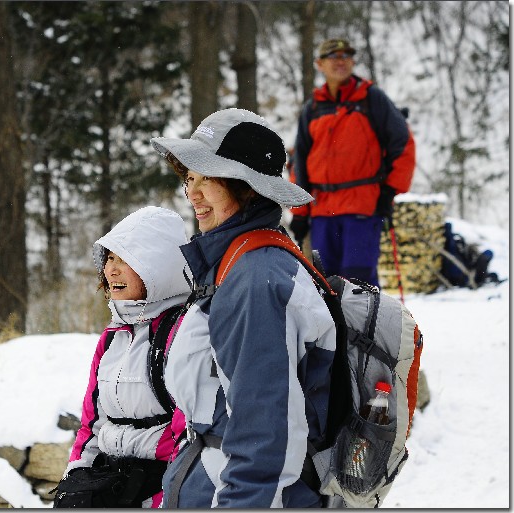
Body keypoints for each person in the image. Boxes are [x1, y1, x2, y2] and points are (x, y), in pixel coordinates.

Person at [150, 108, 337, 507]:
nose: (192, 194)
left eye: (208, 178)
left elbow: (266, 439)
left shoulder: (255, 279)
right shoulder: (236, 261)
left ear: (246, 187)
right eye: (189, 177)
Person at [56, 206, 190, 508]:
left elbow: (189, 438)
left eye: (125, 259)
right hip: (113, 483)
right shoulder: (112, 338)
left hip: (160, 486)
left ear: (157, 266)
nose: (111, 270)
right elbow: (92, 425)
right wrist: (74, 481)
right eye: (110, 258)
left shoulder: (183, 332)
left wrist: (157, 500)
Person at [290, 38, 416, 287]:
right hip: (323, 210)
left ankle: (367, 328)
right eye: (333, 56)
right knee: (325, 281)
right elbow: (300, 162)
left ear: (353, 61)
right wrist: (300, 211)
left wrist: (389, 190)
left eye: (346, 55)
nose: (340, 61)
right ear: (320, 64)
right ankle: (333, 329)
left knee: (358, 282)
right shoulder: (313, 108)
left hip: (362, 207)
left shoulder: (372, 99)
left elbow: (403, 144)